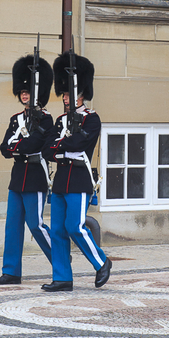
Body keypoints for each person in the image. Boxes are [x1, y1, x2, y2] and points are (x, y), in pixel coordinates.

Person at [41, 51, 111, 292]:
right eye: (65, 94)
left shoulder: (91, 119)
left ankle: (102, 262)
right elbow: (46, 149)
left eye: (71, 94)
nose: (66, 98)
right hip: (61, 179)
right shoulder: (60, 121)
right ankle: (62, 277)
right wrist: (60, 147)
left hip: (79, 178)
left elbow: (79, 144)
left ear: (82, 95)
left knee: (75, 226)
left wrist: (59, 146)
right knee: (59, 230)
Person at [0, 52, 54, 285]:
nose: (24, 94)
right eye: (22, 91)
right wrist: (19, 147)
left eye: (28, 91)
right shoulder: (16, 119)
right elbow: (4, 148)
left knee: (36, 225)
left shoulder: (46, 120)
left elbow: (34, 145)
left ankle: (60, 260)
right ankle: (11, 271)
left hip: (36, 175)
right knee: (12, 226)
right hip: (18, 176)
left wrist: (17, 147)